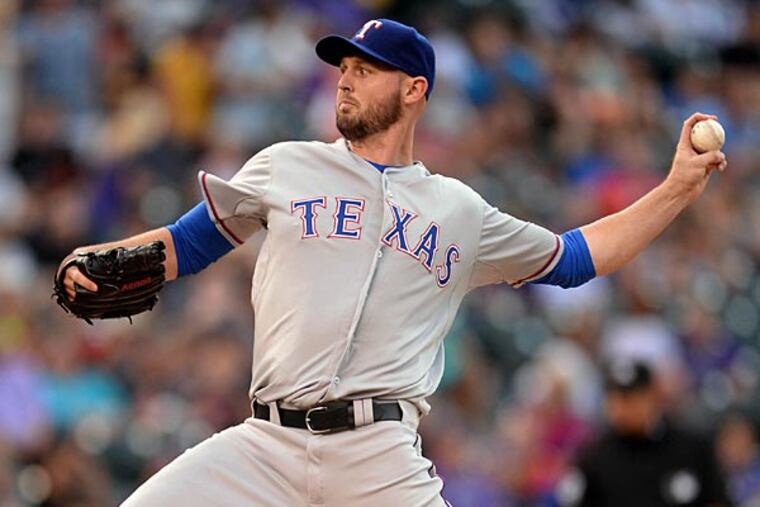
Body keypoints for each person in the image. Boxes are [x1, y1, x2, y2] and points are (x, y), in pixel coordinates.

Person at [57, 18, 727, 507]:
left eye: (365, 68)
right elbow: (186, 243)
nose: (346, 77)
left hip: (377, 456)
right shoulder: (288, 165)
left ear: (413, 90)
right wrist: (106, 258)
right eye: (344, 67)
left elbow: (577, 258)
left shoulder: (460, 210)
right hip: (263, 444)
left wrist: (674, 189)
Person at [557, 360, 732, 507]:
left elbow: (717, 501)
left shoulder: (693, 448)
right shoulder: (593, 457)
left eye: (630, 398)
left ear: (654, 397)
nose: (622, 408)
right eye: (615, 399)